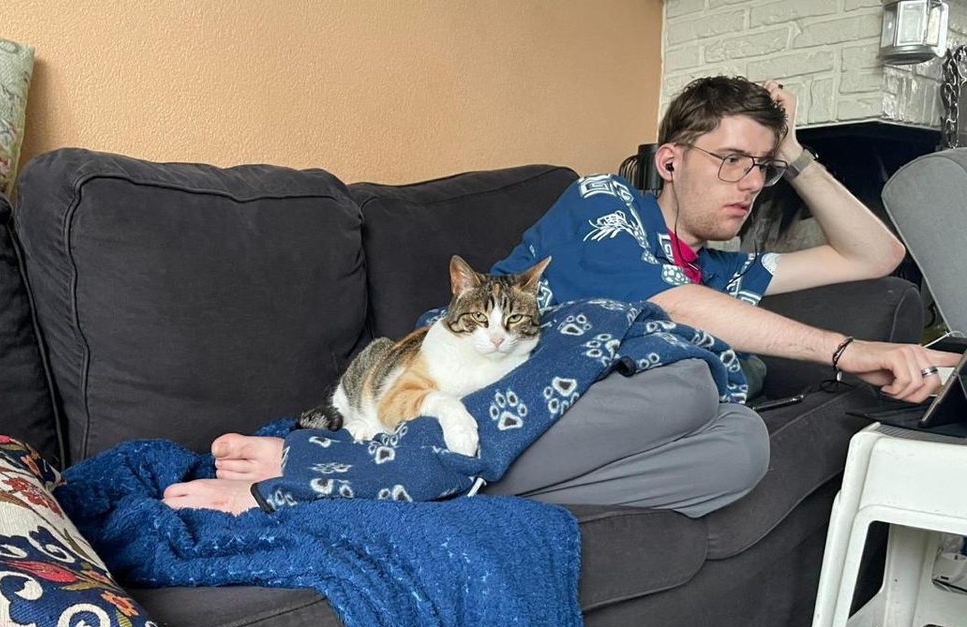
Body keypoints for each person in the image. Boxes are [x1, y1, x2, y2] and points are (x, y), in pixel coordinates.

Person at [164, 76, 960, 517]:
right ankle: (332, 465)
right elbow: (672, 309)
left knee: (742, 444)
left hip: (549, 436)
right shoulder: (602, 204)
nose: (749, 183)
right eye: (730, 160)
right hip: (465, 381)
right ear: (672, 160)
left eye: (761, 168)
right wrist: (846, 351)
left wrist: (795, 152)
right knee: (687, 380)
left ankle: (437, 491)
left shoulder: (722, 270)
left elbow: (879, 252)